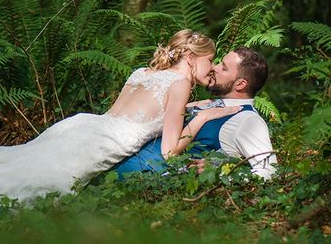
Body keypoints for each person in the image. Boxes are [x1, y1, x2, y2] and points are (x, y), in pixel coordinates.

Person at [0, 30, 241, 206]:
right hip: (93, 146)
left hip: (81, 126)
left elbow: (136, 112)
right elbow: (171, 150)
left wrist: (182, 112)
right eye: (209, 59)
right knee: (14, 185)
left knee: (3, 162)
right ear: (191, 56)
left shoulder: (145, 72)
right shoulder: (181, 86)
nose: (210, 67)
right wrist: (199, 121)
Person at [114, 47, 277, 179]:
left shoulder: (247, 121)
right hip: (118, 159)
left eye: (224, 68)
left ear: (240, 84)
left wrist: (227, 170)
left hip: (139, 181)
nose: (214, 67)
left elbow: (269, 170)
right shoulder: (209, 104)